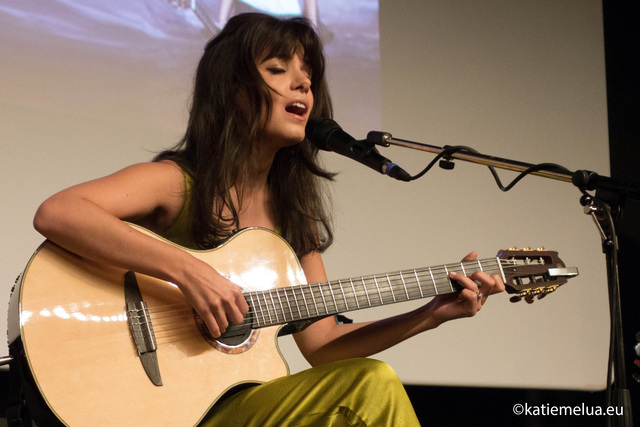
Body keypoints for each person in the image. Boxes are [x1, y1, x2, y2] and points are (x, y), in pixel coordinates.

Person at [33, 13, 505, 426]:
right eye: (278, 69)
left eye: (308, 74)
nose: (304, 84)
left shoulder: (294, 218)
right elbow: (58, 212)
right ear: (233, 91)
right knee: (372, 385)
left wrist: (429, 314)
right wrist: (190, 273)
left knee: (367, 382)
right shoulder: (179, 181)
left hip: (238, 408)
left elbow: (322, 343)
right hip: (155, 408)